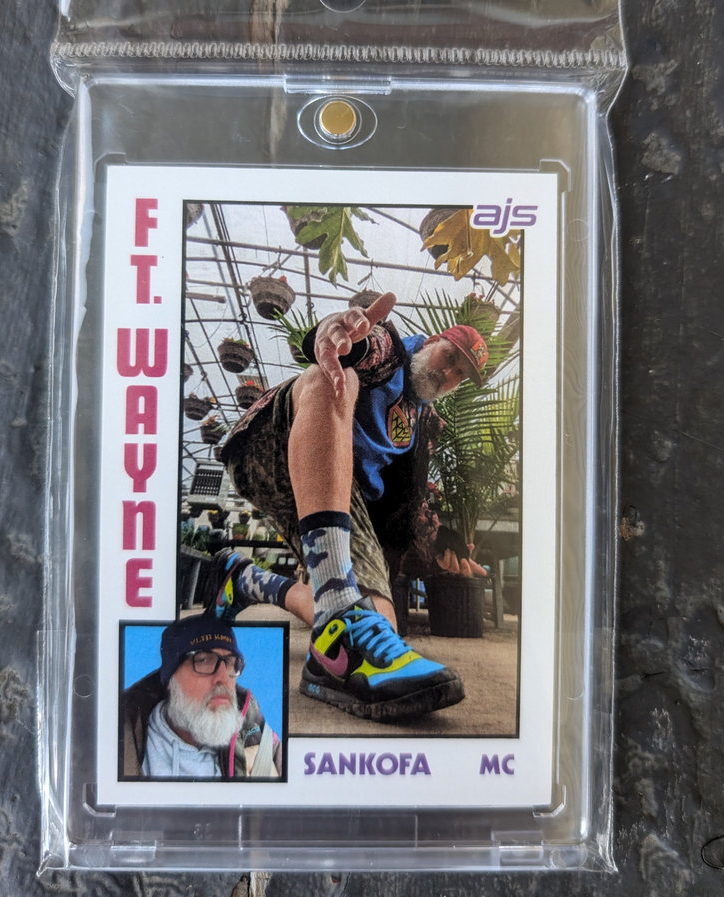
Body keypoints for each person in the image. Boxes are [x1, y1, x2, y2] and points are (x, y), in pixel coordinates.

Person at [212, 292, 488, 723]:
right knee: (335, 377)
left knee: (374, 623)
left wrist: (445, 541)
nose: (448, 373)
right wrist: (340, 336)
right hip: (272, 443)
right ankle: (333, 607)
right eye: (449, 357)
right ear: (433, 341)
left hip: (341, 494)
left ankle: (247, 580)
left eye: (459, 375)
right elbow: (361, 347)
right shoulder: (392, 352)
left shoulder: (424, 424)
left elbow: (412, 504)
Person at [120, 613, 282, 779]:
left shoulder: (260, 737)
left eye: (230, 663)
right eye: (204, 660)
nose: (223, 678)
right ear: (170, 679)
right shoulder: (119, 738)